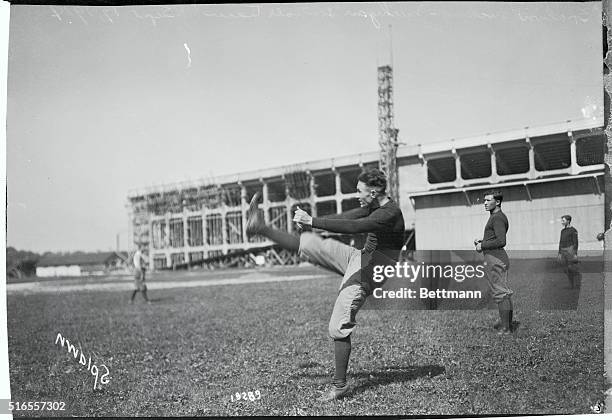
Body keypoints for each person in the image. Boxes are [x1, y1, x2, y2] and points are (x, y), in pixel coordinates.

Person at [245, 167, 404, 401]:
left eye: (360, 190)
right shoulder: (373, 204)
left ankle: (340, 386)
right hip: (360, 258)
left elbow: (356, 227)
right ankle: (260, 227)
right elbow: (349, 217)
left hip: (373, 270)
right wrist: (312, 224)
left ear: (374, 191)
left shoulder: (389, 213)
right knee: (310, 243)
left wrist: (313, 220)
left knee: (338, 323)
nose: (356, 194)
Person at [474, 190, 513, 335]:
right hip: (494, 256)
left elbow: (501, 241)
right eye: (484, 200)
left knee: (500, 293)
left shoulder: (497, 218)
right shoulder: (496, 217)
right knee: (502, 292)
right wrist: (483, 241)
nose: (484, 203)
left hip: (495, 257)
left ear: (497, 202)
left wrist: (482, 246)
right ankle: (505, 322)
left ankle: (506, 328)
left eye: (488, 200)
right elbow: (495, 238)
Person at [558, 215, 579, 289]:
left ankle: (573, 283)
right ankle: (572, 282)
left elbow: (575, 242)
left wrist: (575, 253)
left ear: (568, 221)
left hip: (570, 250)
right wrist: (559, 253)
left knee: (570, 267)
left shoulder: (573, 230)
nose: (562, 222)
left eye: (563, 221)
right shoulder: (562, 231)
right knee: (565, 268)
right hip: (563, 251)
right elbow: (560, 242)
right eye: (562, 221)